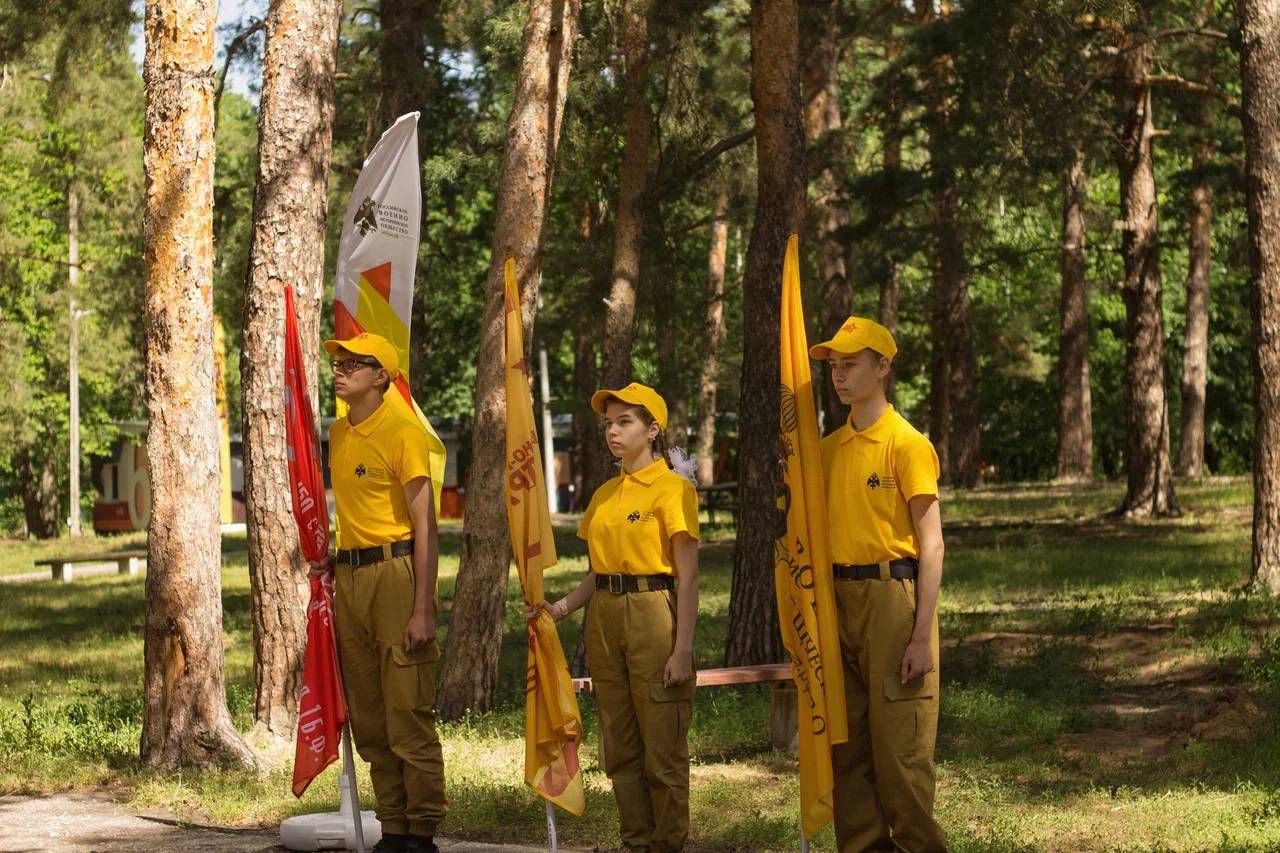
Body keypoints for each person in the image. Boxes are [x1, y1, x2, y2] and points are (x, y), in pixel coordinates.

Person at [529, 382, 700, 853]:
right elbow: (597, 574)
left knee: (661, 749)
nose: (613, 431)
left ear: (653, 428)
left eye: (625, 421)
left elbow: (687, 577)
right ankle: (636, 843)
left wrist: (682, 648)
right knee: (620, 748)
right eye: (609, 423)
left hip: (653, 612)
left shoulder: (673, 489)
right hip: (604, 617)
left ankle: (667, 844)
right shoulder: (605, 494)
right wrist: (560, 609)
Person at [809, 317, 948, 853]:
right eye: (834, 367)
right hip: (836, 600)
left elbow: (932, 544)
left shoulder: (907, 444)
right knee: (847, 752)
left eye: (851, 364)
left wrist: (920, 635)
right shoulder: (825, 450)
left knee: (900, 755)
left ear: (883, 366)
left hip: (894, 598)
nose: (839, 376)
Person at [312, 332, 445, 853]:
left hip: (396, 574)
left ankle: (423, 829)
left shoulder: (402, 431)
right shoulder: (340, 433)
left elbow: (426, 525)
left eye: (353, 364)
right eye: (339, 362)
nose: (340, 370)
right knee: (369, 715)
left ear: (381, 376)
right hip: (352, 578)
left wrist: (423, 607)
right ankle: (392, 825)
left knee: (407, 710)